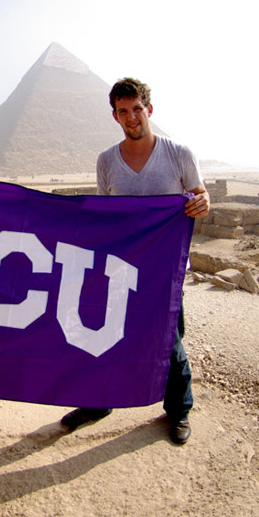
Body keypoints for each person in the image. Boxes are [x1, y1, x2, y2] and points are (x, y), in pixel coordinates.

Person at [60, 77, 210, 444]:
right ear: (115, 116)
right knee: (103, 336)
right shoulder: (107, 161)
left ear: (149, 109)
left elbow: (200, 198)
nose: (131, 117)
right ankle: (98, 401)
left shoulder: (179, 154)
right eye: (123, 111)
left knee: (169, 342)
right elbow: (106, 216)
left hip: (165, 272)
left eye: (137, 109)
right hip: (120, 269)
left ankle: (179, 411)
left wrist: (203, 203)